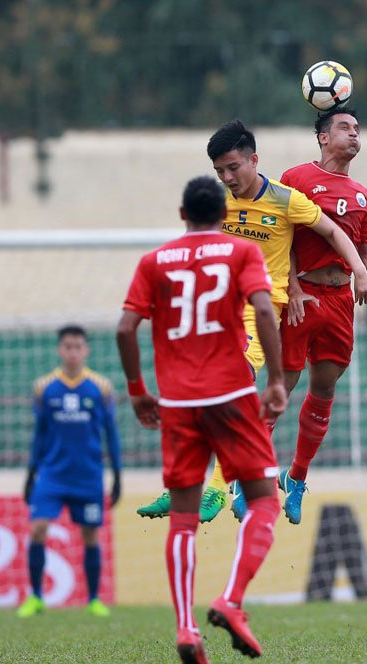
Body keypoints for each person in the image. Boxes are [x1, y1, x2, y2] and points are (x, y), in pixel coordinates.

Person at [136, 119, 367, 523]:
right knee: (190, 396)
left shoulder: (285, 199)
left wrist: (362, 273)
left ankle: (217, 488)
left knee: (234, 386)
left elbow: (333, 233)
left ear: (254, 160)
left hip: (257, 312)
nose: (228, 178)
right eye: (220, 172)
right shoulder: (215, 205)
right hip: (213, 314)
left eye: (233, 168)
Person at [117, 176, 288, 662]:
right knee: (262, 500)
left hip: (177, 403)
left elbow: (126, 327)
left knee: (185, 519)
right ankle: (231, 600)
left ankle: (187, 630)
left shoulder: (154, 262)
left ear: (181, 213)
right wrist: (275, 380)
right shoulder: (240, 253)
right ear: (224, 213)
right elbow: (263, 311)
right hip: (232, 394)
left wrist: (137, 391)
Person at [275, 108, 367, 525]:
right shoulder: (296, 178)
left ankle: (296, 477)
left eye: (358, 130)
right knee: (283, 386)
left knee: (323, 389)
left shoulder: (364, 196)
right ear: (322, 137)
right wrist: (293, 288)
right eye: (345, 128)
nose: (355, 135)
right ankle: (250, 477)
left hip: (340, 302)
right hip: (302, 294)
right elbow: (279, 238)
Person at [17, 325, 122, 619]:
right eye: (68, 347)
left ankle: (93, 600)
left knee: (90, 534)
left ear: (86, 350)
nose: (73, 352)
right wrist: (30, 474)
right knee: (37, 528)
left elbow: (111, 435)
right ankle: (36, 597)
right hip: (52, 474)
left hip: (88, 475)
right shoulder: (45, 387)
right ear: (59, 350)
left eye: (78, 347)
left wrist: (117, 476)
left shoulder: (100, 387)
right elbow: (39, 435)